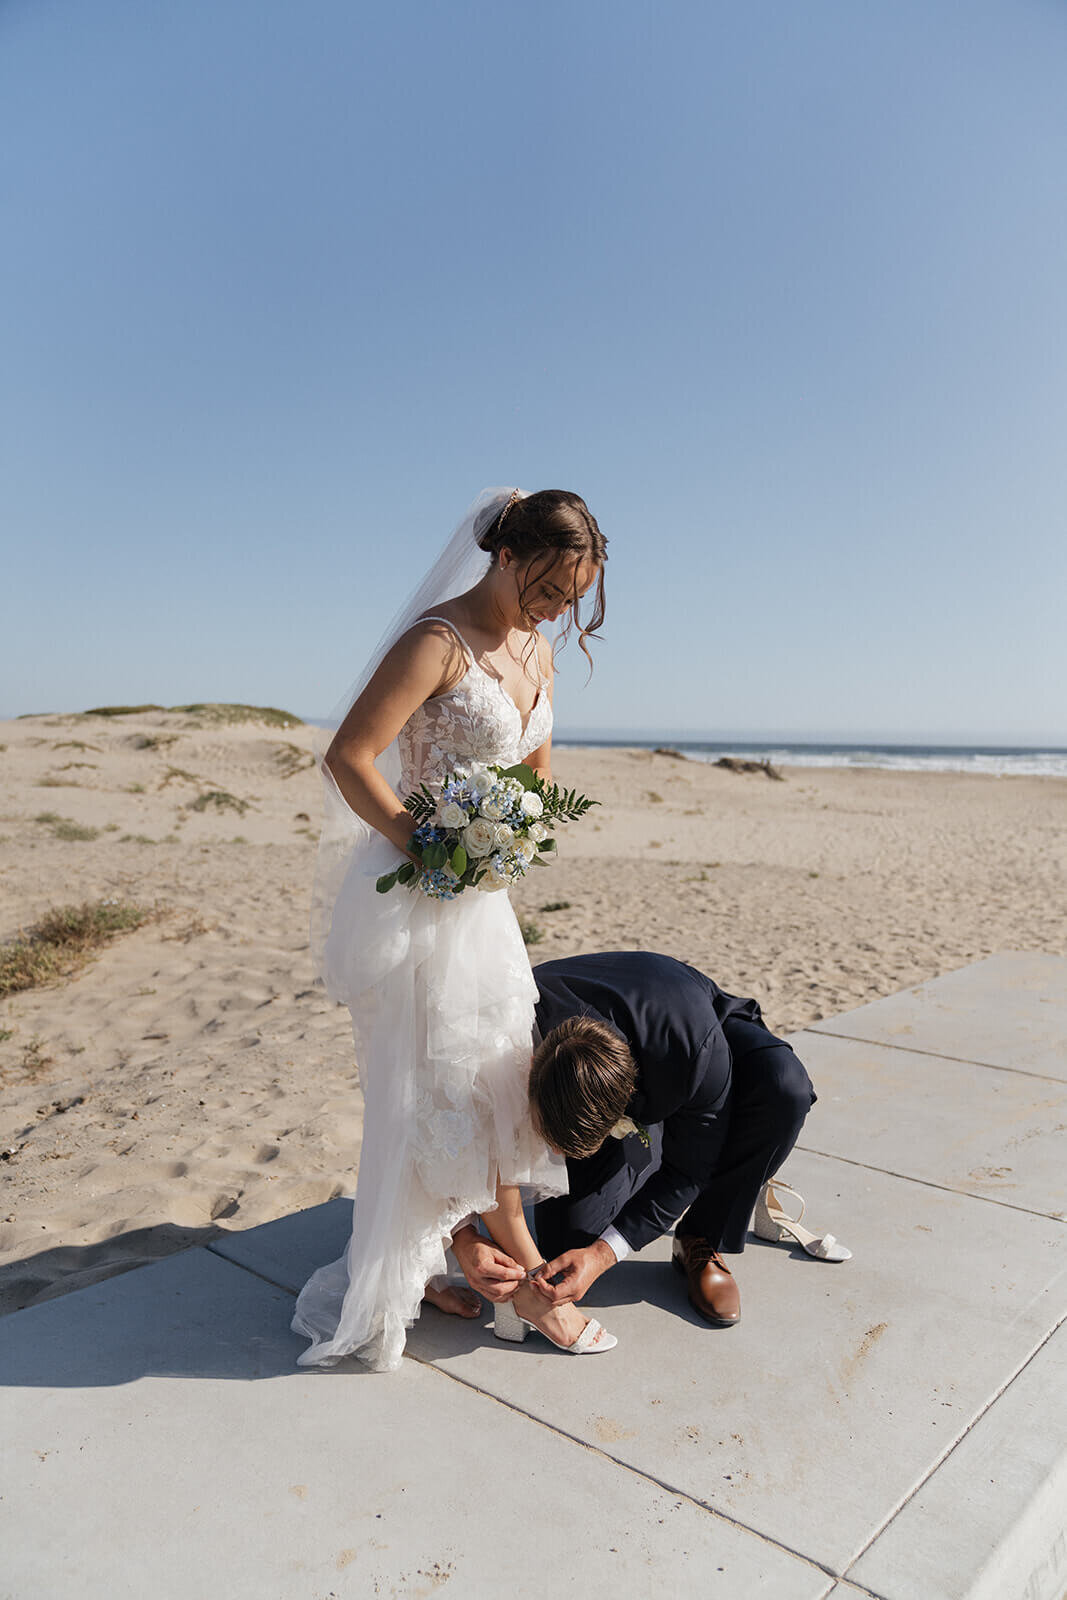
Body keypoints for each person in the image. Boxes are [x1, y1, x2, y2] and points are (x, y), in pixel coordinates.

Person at [292, 488, 615, 1371]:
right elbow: (349, 756)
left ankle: (458, 1255)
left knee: (498, 1075)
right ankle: (516, 1283)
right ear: (506, 557)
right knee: (435, 1084)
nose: (557, 609)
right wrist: (427, 845)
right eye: (550, 588)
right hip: (418, 893)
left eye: (572, 596)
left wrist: (520, 835)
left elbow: (538, 773)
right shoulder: (436, 642)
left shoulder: (536, 648)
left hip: (486, 903)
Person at [451, 950, 848, 1329]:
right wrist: (463, 1234)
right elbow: (445, 1138)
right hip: (585, 1059)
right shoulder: (500, 1048)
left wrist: (604, 1255)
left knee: (784, 1088)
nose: (550, 1156)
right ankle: (646, 1152)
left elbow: (691, 1170)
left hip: (691, 1024)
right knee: (567, 1242)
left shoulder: (696, 1052)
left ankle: (700, 1236)